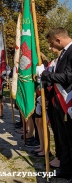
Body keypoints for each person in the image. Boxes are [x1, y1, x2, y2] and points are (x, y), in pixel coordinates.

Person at [37, 27, 72, 180]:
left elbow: (68, 77)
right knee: (62, 139)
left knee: (71, 140)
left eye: (52, 44)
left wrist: (45, 74)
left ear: (59, 40)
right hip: (58, 102)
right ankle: (65, 169)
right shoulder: (63, 53)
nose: (50, 48)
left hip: (68, 102)